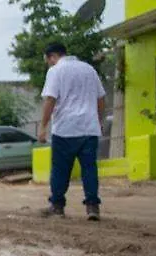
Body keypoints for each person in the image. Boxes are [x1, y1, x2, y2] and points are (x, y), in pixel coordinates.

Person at [38, 42, 106, 221]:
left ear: (52, 56)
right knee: (89, 169)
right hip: (89, 128)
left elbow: (50, 100)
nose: (49, 64)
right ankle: (92, 207)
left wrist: (43, 127)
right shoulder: (89, 69)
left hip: (65, 129)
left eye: (48, 60)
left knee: (60, 170)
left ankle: (57, 206)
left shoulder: (56, 71)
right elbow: (100, 98)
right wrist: (98, 121)